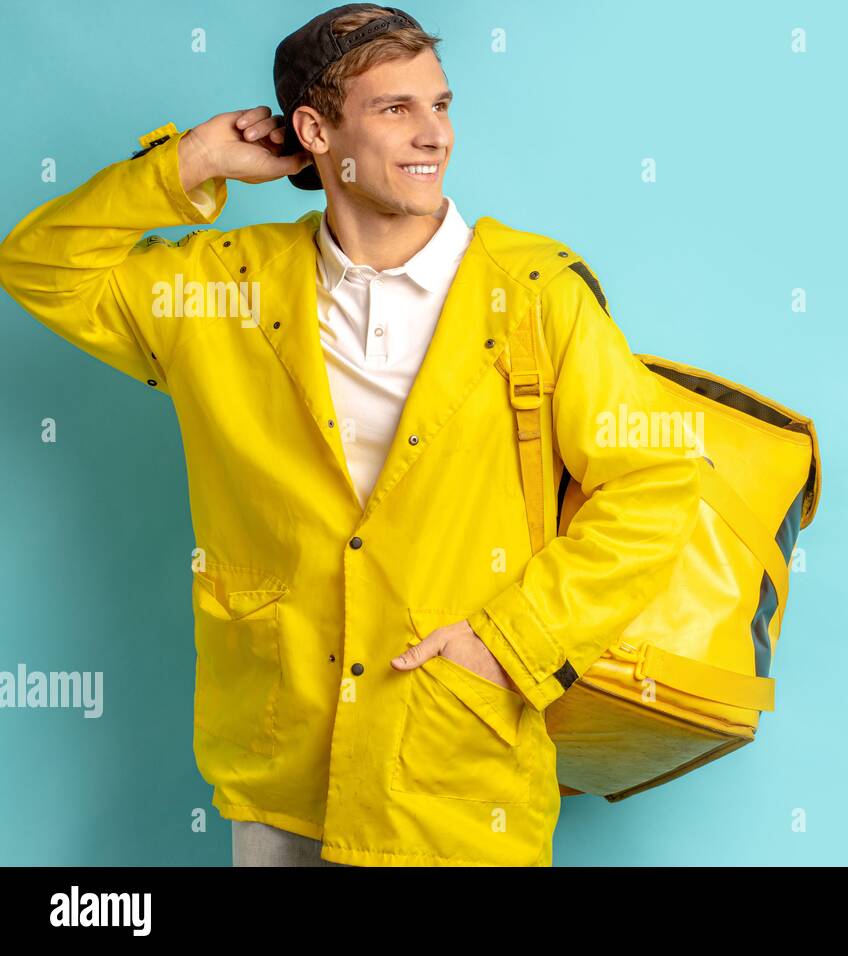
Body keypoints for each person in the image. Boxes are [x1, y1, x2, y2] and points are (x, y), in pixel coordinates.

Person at [0, 3, 699, 867]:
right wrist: (195, 160)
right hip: (283, 764)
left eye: (440, 105)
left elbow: (657, 479)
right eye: (395, 109)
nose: (432, 135)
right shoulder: (224, 291)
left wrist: (512, 641)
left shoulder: (533, 292)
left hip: (453, 766)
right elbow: (39, 265)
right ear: (314, 130)